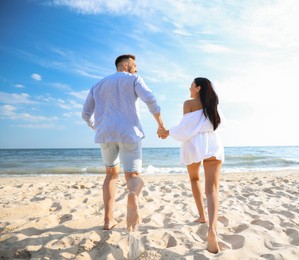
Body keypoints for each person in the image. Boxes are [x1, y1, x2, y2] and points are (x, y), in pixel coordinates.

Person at [82, 54, 165, 232]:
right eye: (134, 65)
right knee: (133, 176)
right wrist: (160, 124)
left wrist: (97, 127)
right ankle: (133, 195)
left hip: (105, 134)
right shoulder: (134, 79)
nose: (136, 69)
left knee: (111, 174)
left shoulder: (98, 85)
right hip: (129, 132)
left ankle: (108, 220)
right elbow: (150, 99)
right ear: (125, 65)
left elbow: (85, 114)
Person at [158, 77, 224, 254]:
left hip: (194, 144)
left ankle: (202, 216)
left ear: (198, 88)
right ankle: (212, 229)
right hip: (213, 142)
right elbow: (218, 124)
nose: (189, 88)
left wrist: (167, 132)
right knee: (212, 190)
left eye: (191, 86)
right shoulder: (213, 104)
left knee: (195, 178)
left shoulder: (189, 103)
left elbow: (185, 128)